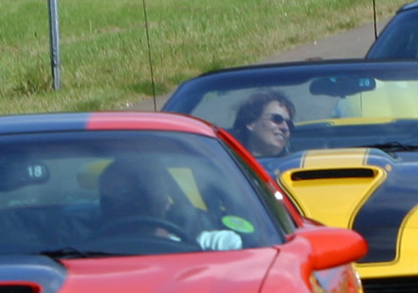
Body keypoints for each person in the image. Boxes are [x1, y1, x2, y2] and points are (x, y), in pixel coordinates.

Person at [98, 155, 242, 250]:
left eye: (145, 195)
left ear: (167, 202)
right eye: (124, 194)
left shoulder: (203, 242)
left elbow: (245, 245)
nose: (136, 203)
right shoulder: (81, 247)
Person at [230, 90, 295, 161]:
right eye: (277, 119)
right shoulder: (230, 166)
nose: (285, 128)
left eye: (289, 124)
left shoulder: (294, 165)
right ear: (250, 123)